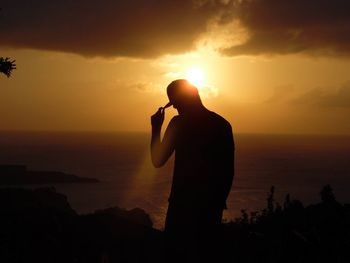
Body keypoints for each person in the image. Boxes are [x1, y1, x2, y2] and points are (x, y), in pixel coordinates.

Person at [150, 79, 234, 260]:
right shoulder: (222, 125)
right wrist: (218, 203)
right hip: (210, 209)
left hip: (180, 207)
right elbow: (228, 172)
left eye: (176, 103)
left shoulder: (178, 124)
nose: (176, 108)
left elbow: (157, 160)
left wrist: (156, 128)